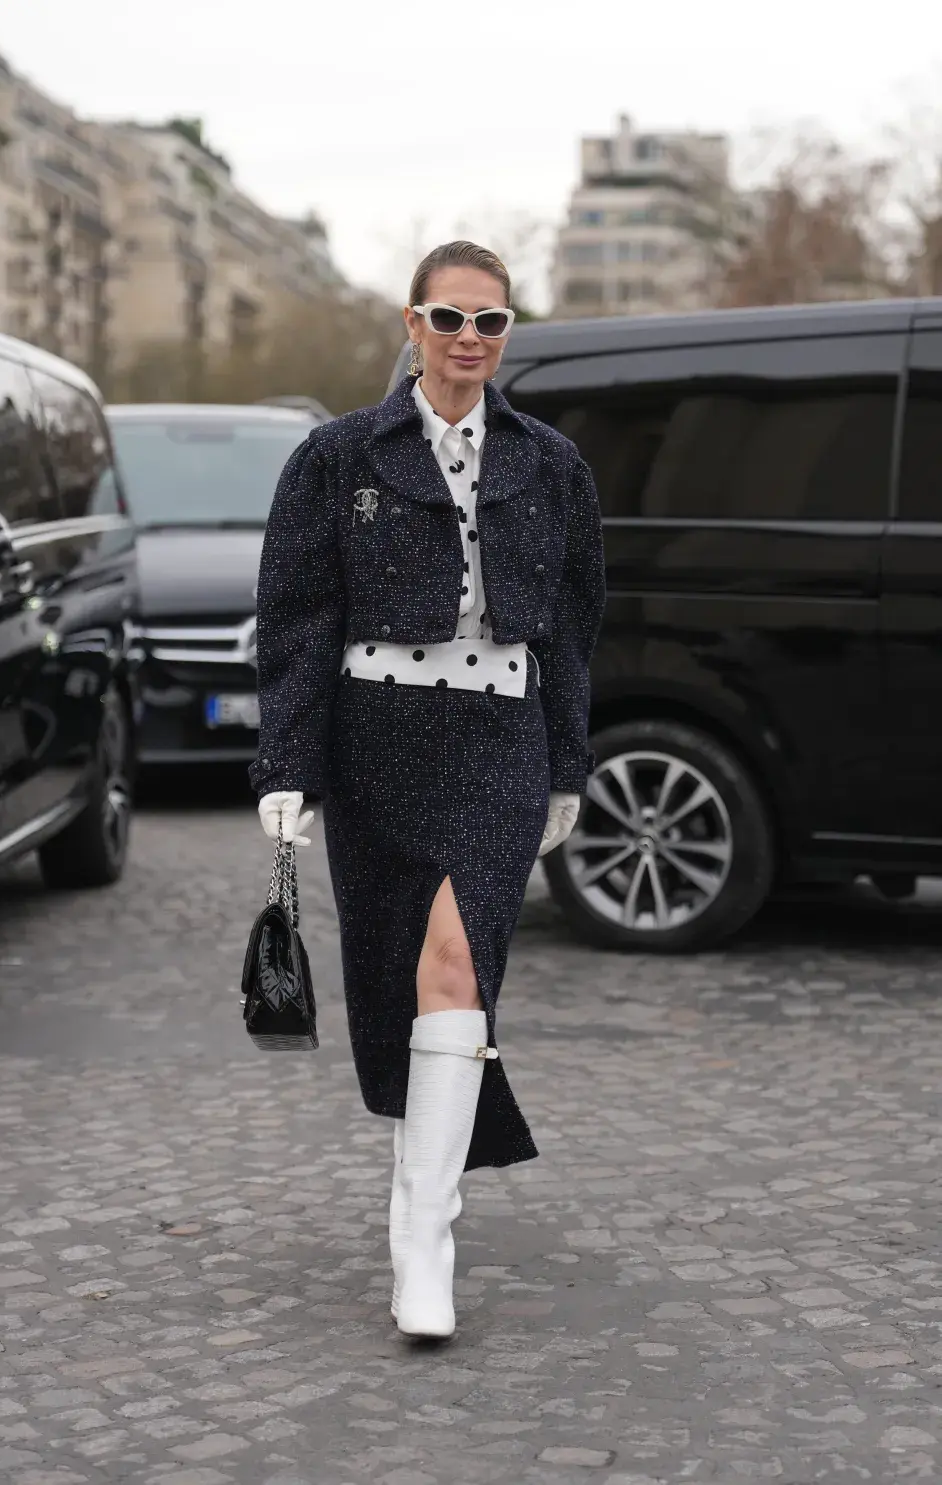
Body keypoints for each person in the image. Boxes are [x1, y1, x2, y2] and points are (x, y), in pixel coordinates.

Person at [251, 240, 605, 1340]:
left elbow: (576, 630)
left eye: (490, 323)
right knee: (400, 980)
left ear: (508, 334)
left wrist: (565, 762)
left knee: (460, 960)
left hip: (499, 739)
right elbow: (298, 620)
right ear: (411, 325)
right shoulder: (336, 457)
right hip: (376, 743)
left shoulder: (553, 466)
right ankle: (424, 1189)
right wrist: (288, 766)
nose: (468, 340)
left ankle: (424, 1238)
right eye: (448, 318)